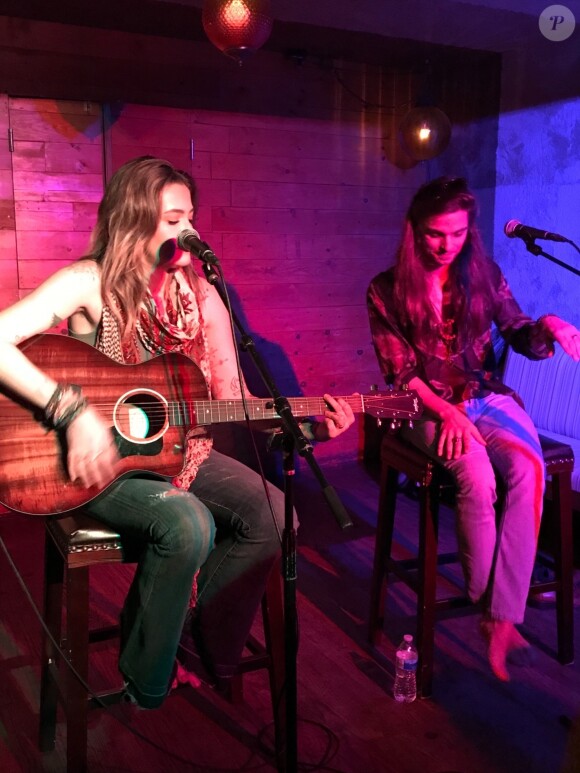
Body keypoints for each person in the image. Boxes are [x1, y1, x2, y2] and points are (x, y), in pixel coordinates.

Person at [0, 156, 355, 708]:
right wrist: (69, 412)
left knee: (275, 513)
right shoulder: (89, 282)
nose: (188, 231)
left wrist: (306, 424)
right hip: (99, 464)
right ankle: (146, 684)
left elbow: (234, 400)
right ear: (134, 220)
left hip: (178, 449)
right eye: (171, 219)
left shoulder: (203, 297)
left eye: (190, 216)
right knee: (186, 521)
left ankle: (190, 647)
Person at [367, 176, 580, 682]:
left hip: (487, 398)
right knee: (476, 476)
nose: (447, 245)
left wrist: (549, 323)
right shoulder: (385, 289)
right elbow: (401, 374)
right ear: (415, 231)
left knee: (529, 468)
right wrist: (448, 413)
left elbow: (518, 333)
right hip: (424, 408)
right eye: (436, 234)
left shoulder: (484, 275)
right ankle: (494, 609)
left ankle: (499, 619)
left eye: (458, 233)